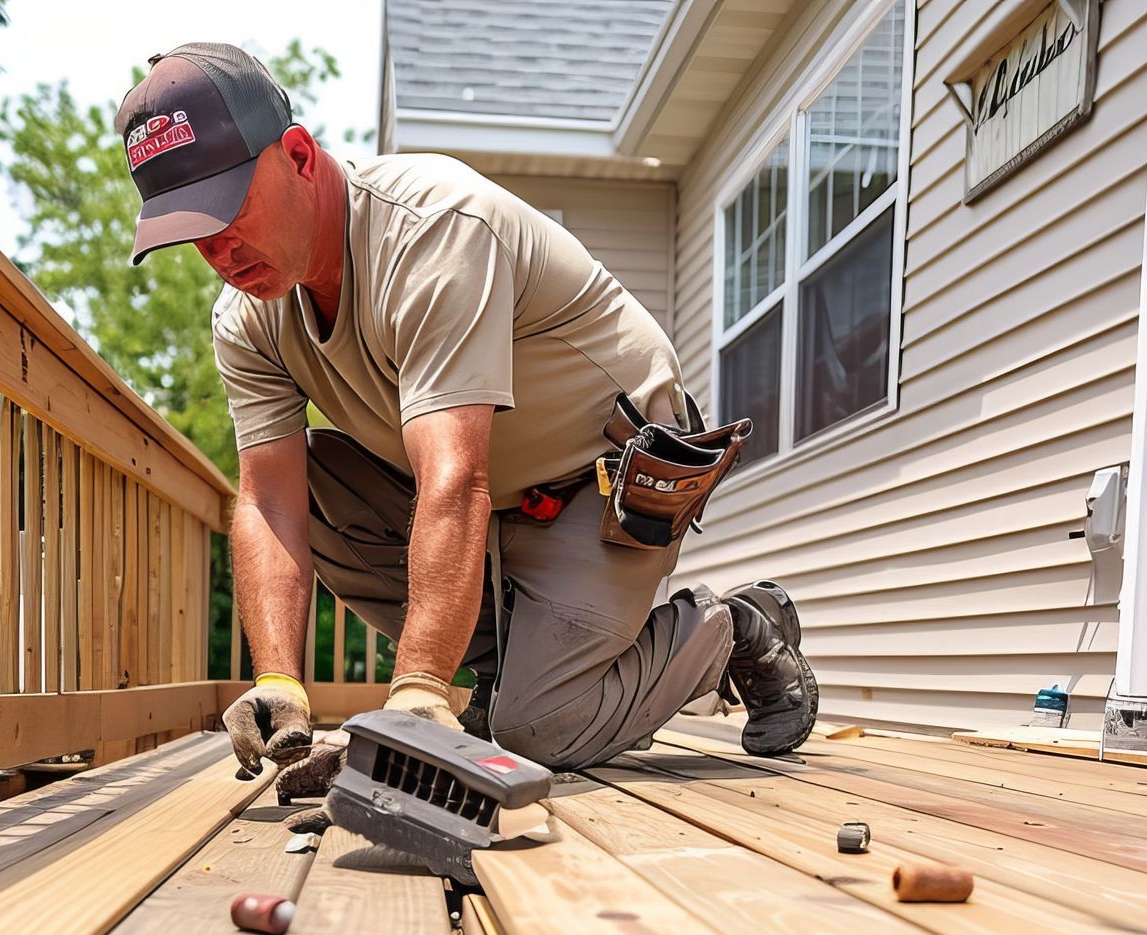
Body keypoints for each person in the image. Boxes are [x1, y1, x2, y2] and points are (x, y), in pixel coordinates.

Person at [117, 43, 818, 794]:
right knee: (315, 481)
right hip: (485, 507)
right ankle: (503, 678)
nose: (217, 249)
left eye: (227, 209)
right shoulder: (246, 321)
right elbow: (268, 501)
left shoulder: (432, 229)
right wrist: (279, 679)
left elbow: (455, 480)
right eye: (190, 229)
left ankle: (731, 626)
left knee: (538, 729)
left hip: (602, 483)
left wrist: (416, 695)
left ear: (298, 155)